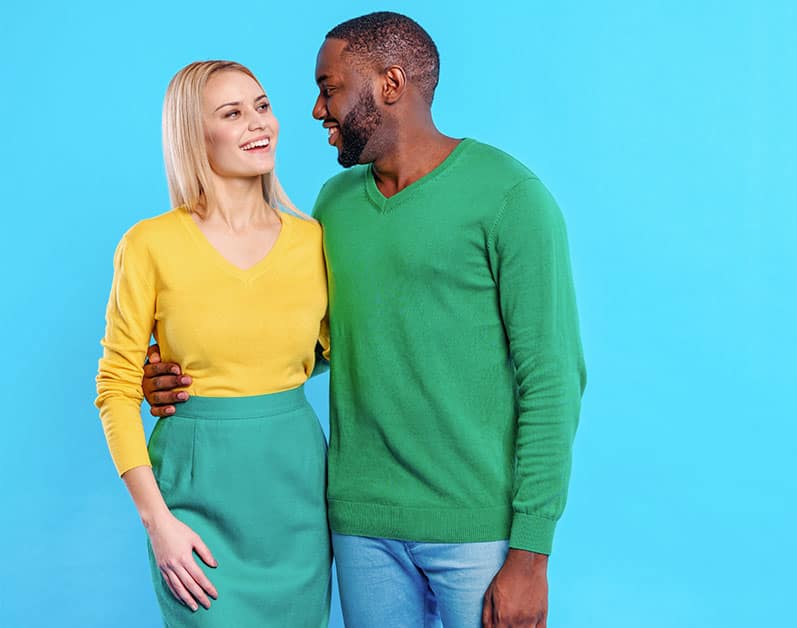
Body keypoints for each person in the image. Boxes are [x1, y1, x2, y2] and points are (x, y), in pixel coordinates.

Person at [144, 12, 586, 628]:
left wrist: (531, 553)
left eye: (329, 88)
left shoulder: (511, 199)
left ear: (390, 84)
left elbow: (553, 381)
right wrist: (179, 372)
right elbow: (320, 342)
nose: (317, 110)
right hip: (358, 529)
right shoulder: (335, 205)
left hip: (475, 531)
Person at [97, 60, 331, 626]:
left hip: (297, 493)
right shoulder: (149, 244)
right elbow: (115, 390)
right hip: (194, 498)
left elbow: (328, 352)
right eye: (232, 113)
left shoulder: (313, 241)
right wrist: (159, 525)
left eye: (262, 106)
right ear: (193, 134)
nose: (259, 124)